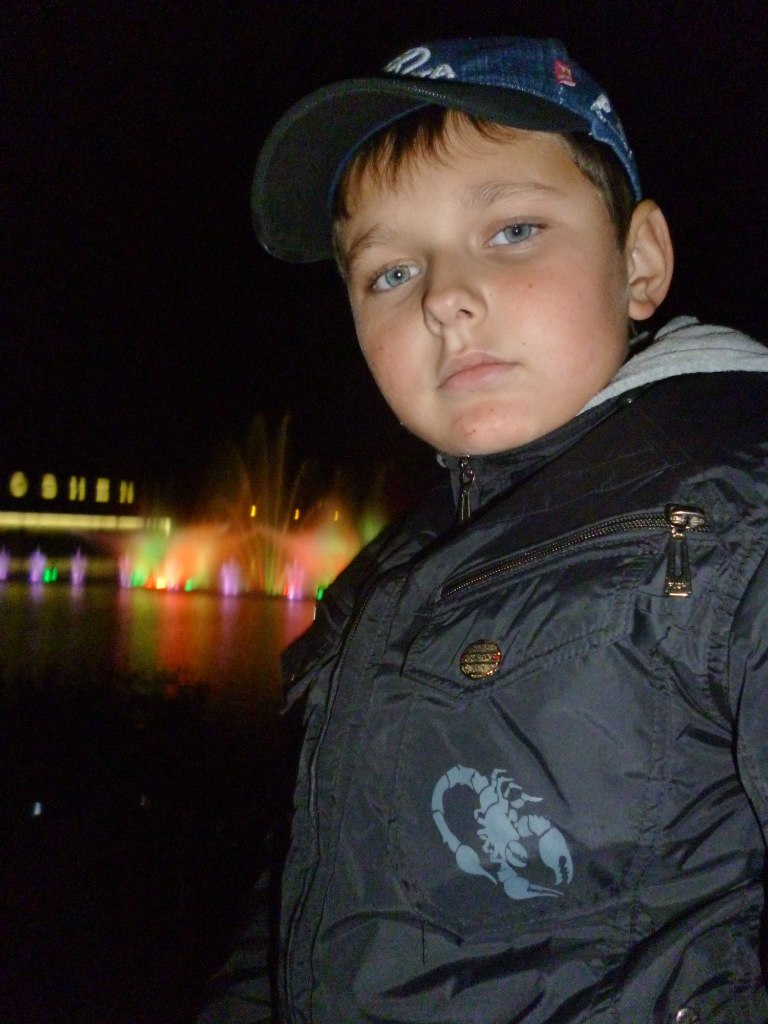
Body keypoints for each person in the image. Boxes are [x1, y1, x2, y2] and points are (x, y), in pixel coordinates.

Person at [204, 36, 768, 1023]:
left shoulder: (735, 516)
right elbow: (312, 884)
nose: (443, 298)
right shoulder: (388, 576)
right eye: (389, 272)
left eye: (512, 230)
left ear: (639, 262)